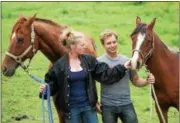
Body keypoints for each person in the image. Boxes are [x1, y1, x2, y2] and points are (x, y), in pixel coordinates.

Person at [39, 29, 131, 123]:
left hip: (88, 108)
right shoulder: (59, 66)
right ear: (73, 46)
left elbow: (105, 74)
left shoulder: (89, 60)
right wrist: (45, 90)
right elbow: (52, 83)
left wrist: (123, 67)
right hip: (72, 110)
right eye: (82, 45)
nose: (85, 47)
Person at [96, 30, 155, 123]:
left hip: (126, 104)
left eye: (114, 42)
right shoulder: (98, 62)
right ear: (103, 45)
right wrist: (95, 103)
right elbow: (91, 85)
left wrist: (147, 81)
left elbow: (136, 80)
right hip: (107, 106)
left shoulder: (127, 60)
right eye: (108, 43)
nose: (112, 45)